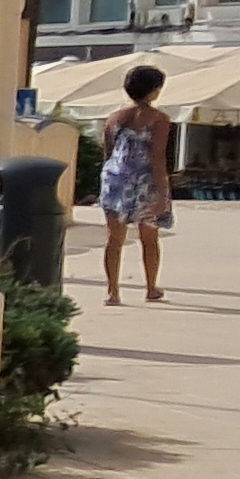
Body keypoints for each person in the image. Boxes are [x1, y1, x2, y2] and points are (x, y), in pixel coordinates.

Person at [96, 63, 173, 303]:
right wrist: (163, 190)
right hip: (145, 180)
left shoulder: (114, 118)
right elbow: (157, 156)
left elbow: (108, 152)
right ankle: (150, 287)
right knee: (149, 238)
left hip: (115, 179)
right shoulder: (159, 119)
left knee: (114, 239)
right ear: (153, 91)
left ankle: (113, 291)